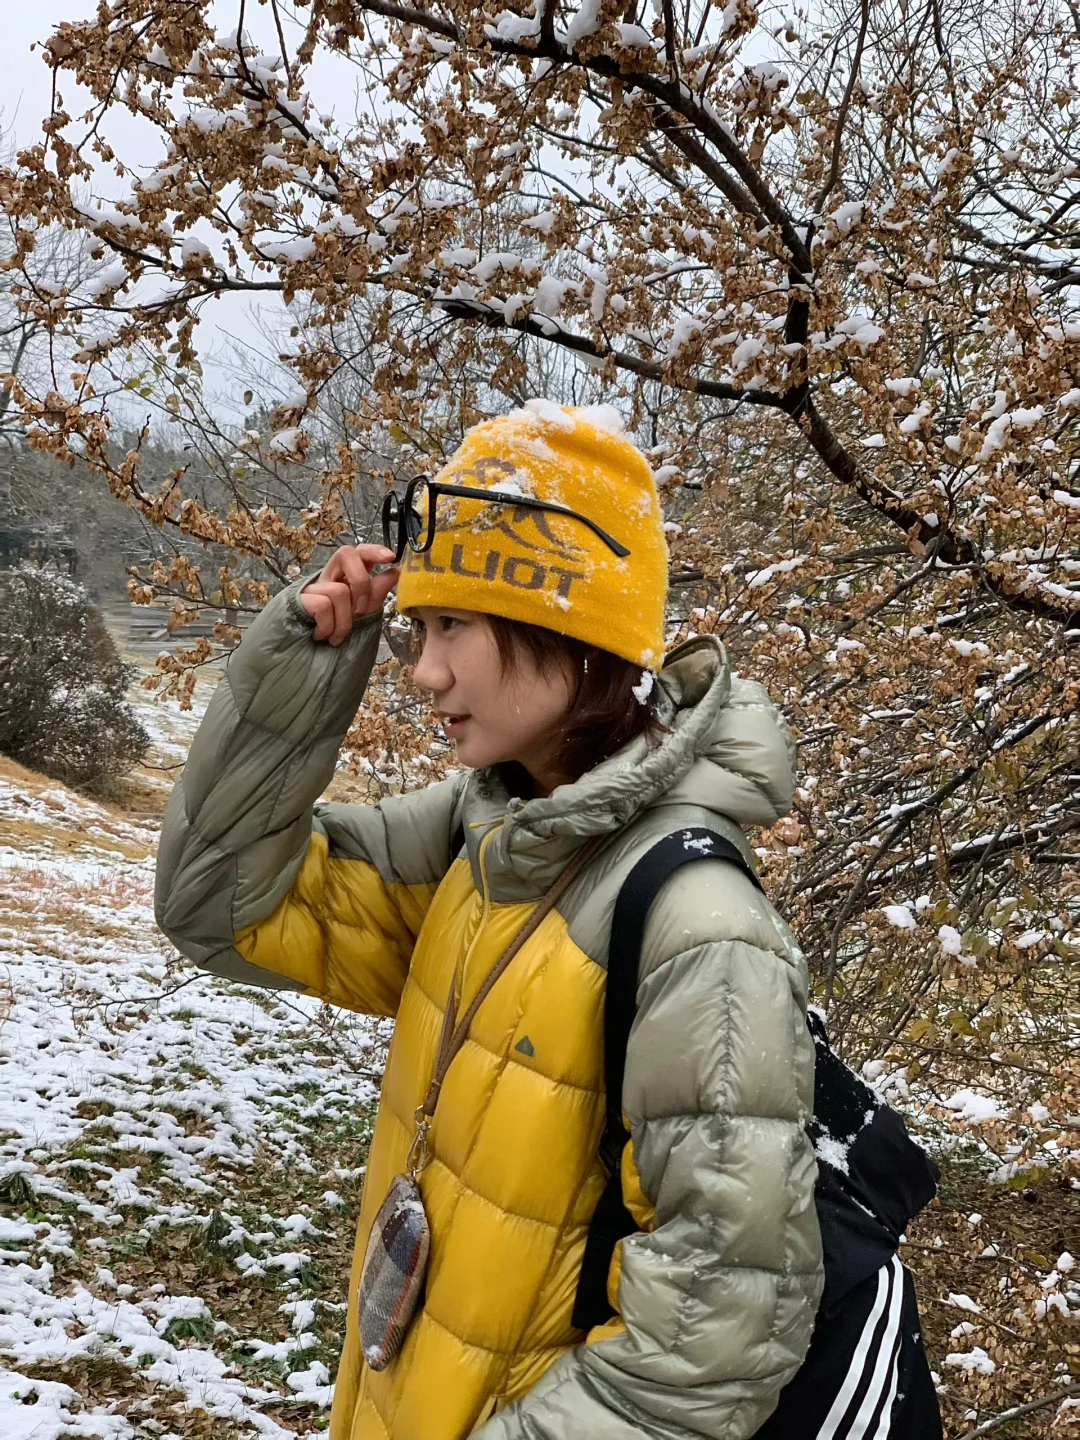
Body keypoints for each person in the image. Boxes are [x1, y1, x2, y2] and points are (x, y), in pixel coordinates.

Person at [155, 403, 931, 1440]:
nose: (424, 672)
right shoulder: (482, 839)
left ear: (566, 627)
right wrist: (298, 677)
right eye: (416, 630)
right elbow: (223, 906)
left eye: (452, 629)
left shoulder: (697, 928)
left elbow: (708, 1343)